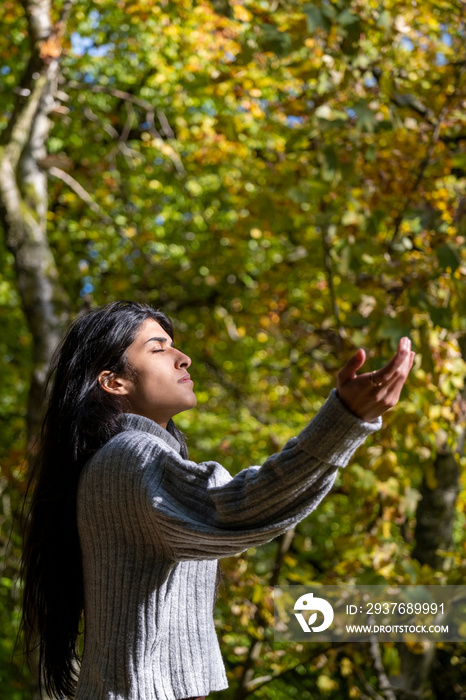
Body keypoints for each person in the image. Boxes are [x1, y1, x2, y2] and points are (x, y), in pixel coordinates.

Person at [20, 300, 414, 700]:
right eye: (158, 348)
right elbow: (239, 508)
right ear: (113, 381)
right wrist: (344, 419)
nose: (183, 358)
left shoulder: (125, 460)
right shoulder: (129, 457)